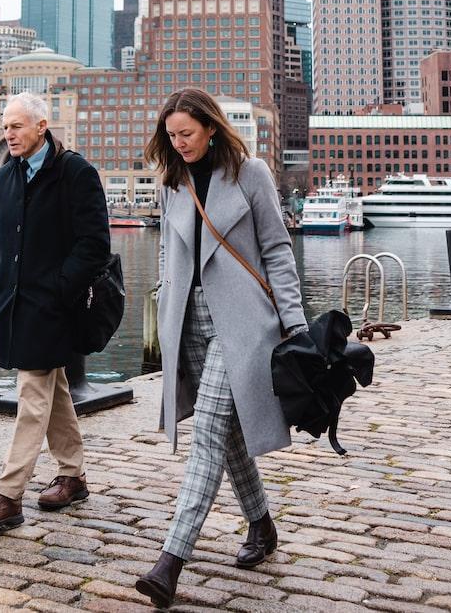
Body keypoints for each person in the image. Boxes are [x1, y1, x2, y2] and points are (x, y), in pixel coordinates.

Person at [135, 88, 308, 608]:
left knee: (208, 432)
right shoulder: (173, 180)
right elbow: (169, 247)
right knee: (227, 433)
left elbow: (277, 248)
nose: (179, 142)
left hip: (242, 325)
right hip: (188, 323)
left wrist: (294, 322)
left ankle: (171, 560)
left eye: (186, 133)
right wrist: (166, 301)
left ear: (211, 128)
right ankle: (262, 524)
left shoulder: (250, 173)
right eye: (171, 135)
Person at [0, 92, 110, 530]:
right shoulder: (5, 176)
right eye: (5, 126)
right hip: (14, 303)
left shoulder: (75, 172)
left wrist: (62, 288)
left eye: (17, 125)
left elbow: (95, 243)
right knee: (52, 387)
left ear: (42, 126)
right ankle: (72, 475)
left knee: (32, 393)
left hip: (54, 305)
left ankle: (7, 495)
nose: (9, 133)